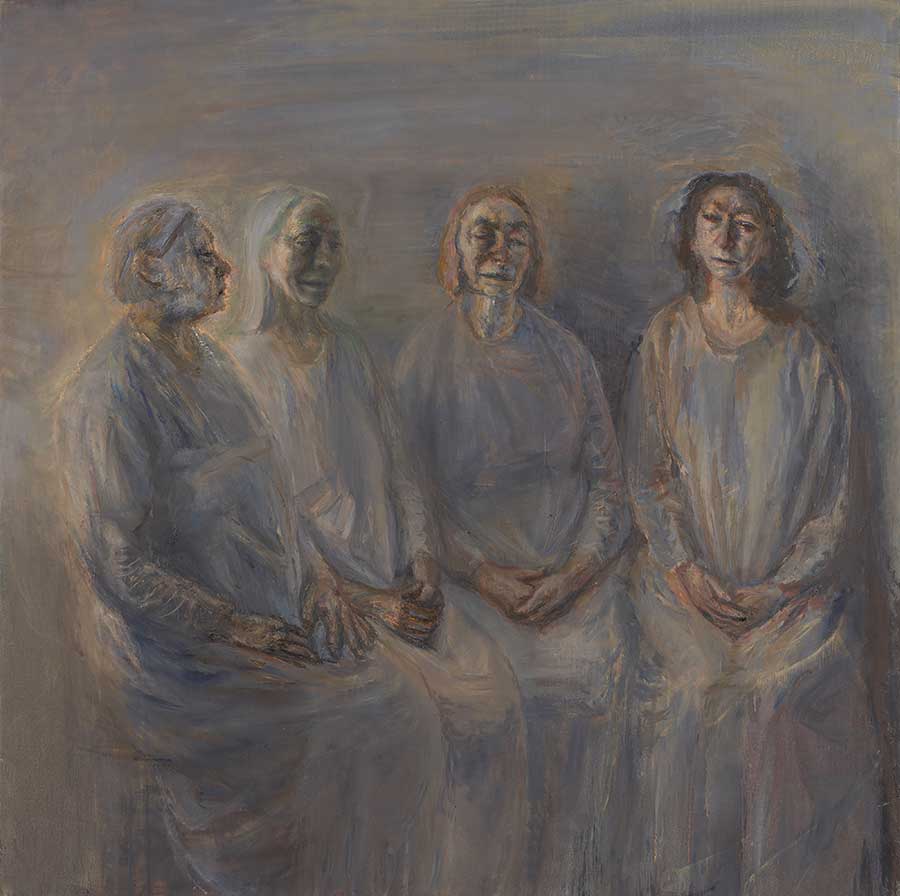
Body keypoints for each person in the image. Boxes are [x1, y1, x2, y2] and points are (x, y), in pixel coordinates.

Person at [55, 198, 447, 896]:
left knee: (403, 707)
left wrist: (318, 584)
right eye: (202, 254)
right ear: (150, 268)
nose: (224, 268)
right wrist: (234, 626)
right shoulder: (108, 390)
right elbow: (118, 564)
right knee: (357, 726)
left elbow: (276, 500)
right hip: (182, 655)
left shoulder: (209, 361)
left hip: (270, 618)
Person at [228, 187, 527, 896]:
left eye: (331, 243)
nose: (321, 259)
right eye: (303, 242)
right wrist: (367, 601)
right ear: (264, 253)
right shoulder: (239, 369)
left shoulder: (353, 351)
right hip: (330, 605)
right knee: (412, 725)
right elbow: (266, 523)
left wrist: (422, 564)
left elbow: (402, 471)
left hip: (400, 587)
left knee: (495, 700)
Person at [622, 172, 882, 895]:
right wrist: (685, 571)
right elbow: (647, 477)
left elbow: (835, 502)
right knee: (692, 693)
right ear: (690, 237)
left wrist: (780, 589)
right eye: (714, 218)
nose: (729, 237)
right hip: (682, 591)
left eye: (746, 223)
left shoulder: (807, 354)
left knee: (782, 701)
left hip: (788, 597)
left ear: (768, 243)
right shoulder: (665, 340)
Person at [394, 184, 635, 894]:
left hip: (572, 589)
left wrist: (577, 573)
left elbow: (609, 484)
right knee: (485, 721)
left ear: (534, 256)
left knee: (599, 696)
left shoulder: (565, 354)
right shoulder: (425, 357)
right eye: (484, 233)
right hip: (471, 593)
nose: (500, 249)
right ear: (457, 251)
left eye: (516, 236)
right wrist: (482, 575)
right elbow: (409, 494)